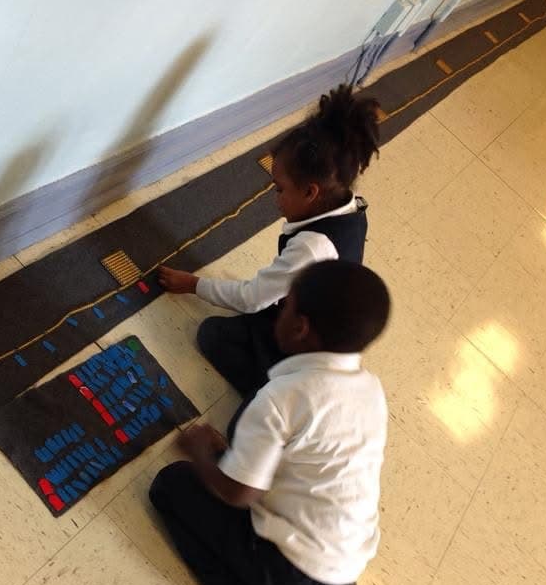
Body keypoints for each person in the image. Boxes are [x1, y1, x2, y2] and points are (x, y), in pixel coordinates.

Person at [149, 260, 391, 585]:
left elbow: (239, 493)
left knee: (171, 486)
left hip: (287, 567)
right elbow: (309, 460)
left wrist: (201, 455)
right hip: (350, 554)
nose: (277, 309)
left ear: (300, 327)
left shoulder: (283, 398)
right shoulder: (371, 389)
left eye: (285, 304)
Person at [158, 84, 381, 398]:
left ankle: (275, 393)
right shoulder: (352, 206)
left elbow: (251, 299)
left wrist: (193, 284)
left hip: (303, 349)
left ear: (310, 192)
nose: (275, 198)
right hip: (311, 323)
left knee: (212, 336)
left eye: (279, 188)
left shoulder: (311, 246)